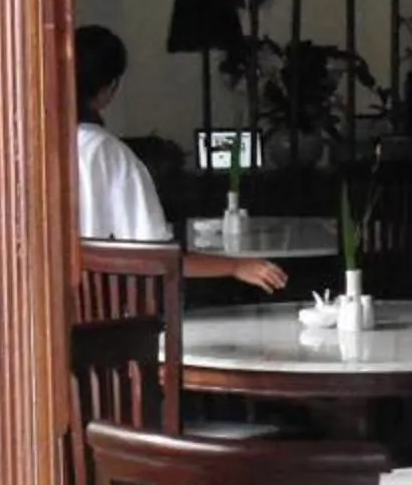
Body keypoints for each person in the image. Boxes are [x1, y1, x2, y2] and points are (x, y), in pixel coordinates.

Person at [75, 25, 285, 291]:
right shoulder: (107, 153)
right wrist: (235, 266)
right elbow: (157, 256)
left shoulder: (28, 147)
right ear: (110, 87)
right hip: (96, 320)